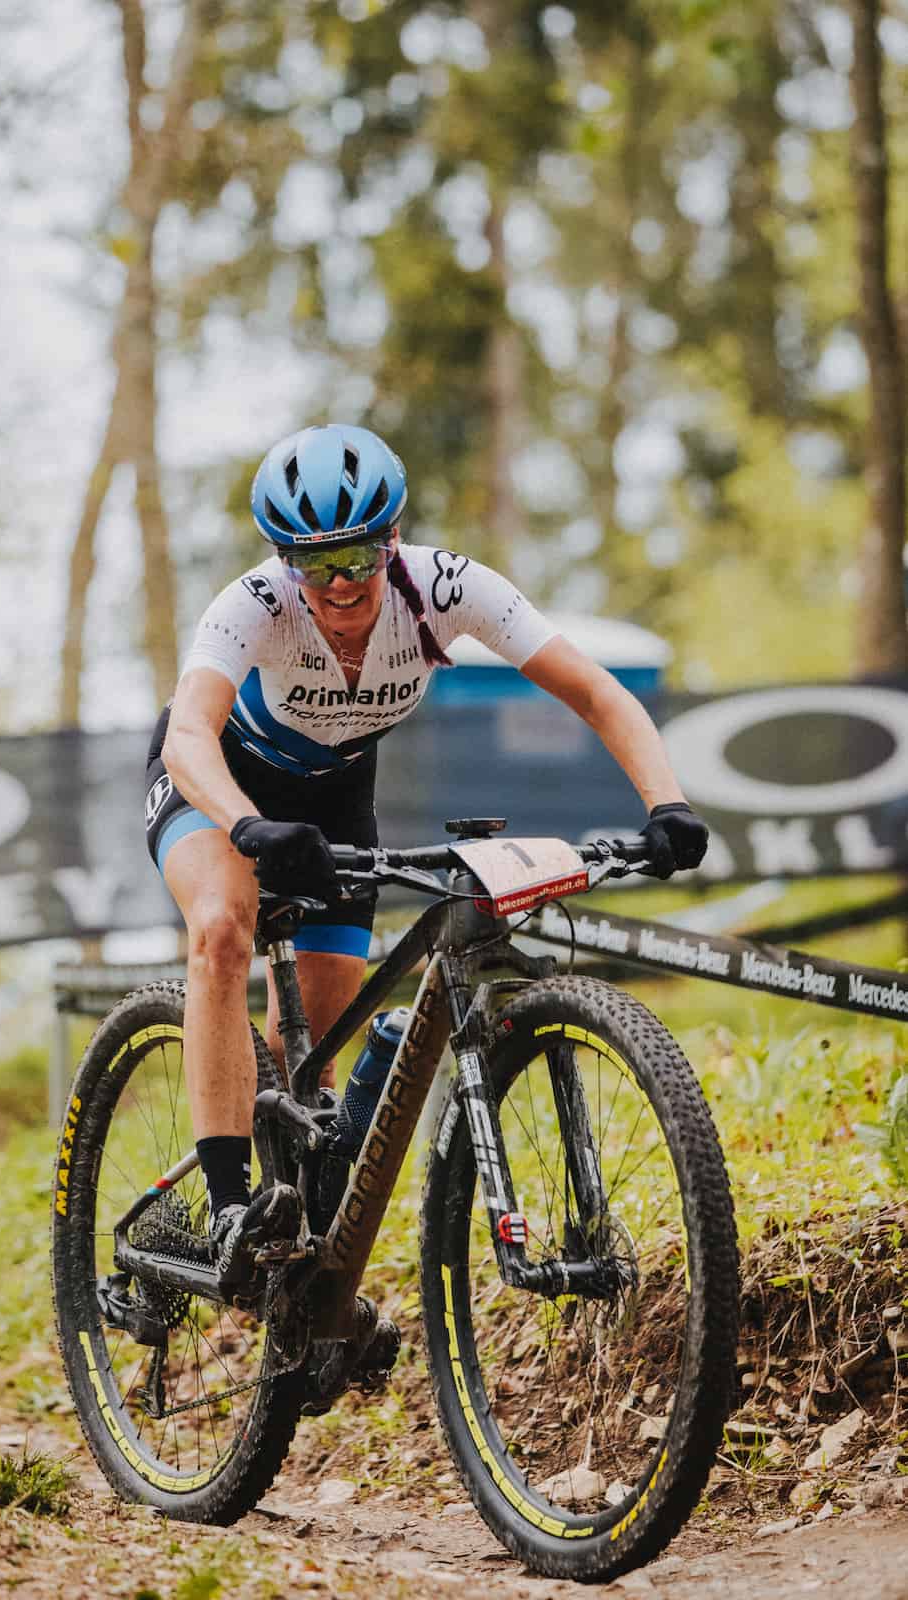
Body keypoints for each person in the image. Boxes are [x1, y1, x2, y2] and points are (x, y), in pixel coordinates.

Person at [144, 422, 708, 1292]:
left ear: (393, 539)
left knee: (316, 1055)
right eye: (313, 563)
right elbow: (189, 734)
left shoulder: (447, 588)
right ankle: (226, 1211)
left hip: (334, 797)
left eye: (358, 557)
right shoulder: (253, 603)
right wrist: (247, 826)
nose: (338, 583)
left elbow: (597, 692)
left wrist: (664, 802)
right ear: (283, 561)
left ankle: (300, 1261)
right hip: (215, 785)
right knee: (223, 927)